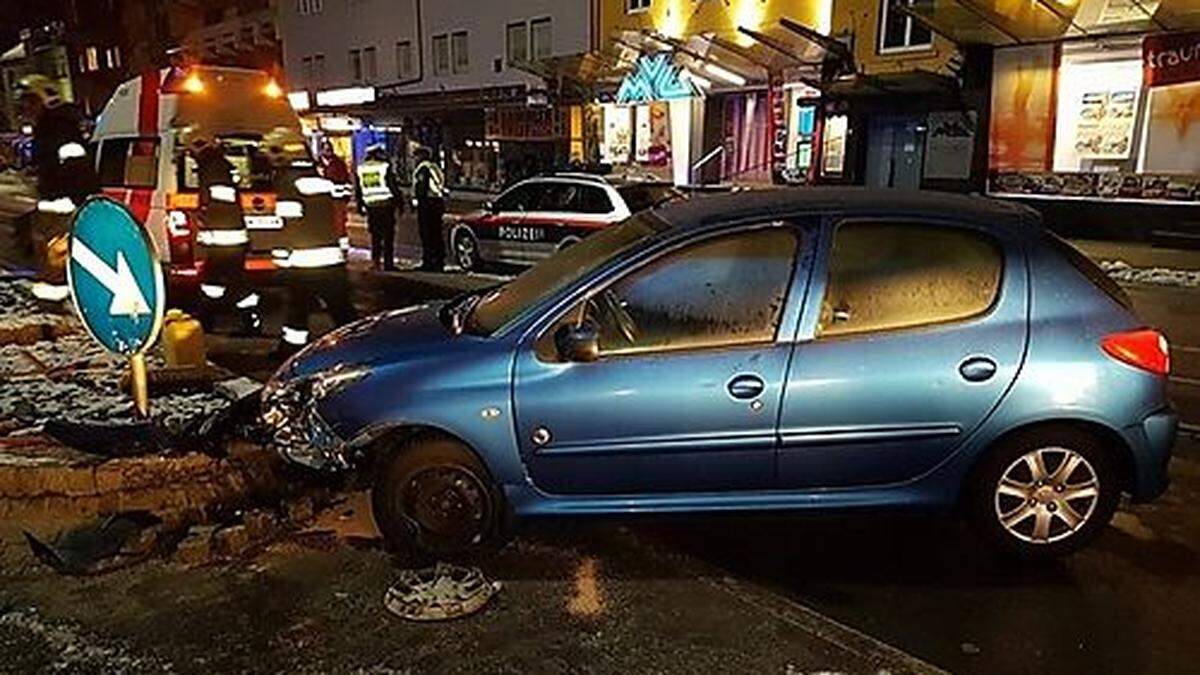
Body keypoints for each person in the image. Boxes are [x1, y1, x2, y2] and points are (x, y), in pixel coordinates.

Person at [19, 76, 94, 301]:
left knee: (61, 258)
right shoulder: (48, 130)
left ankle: (65, 304)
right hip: (56, 208)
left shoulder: (59, 129)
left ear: (45, 100)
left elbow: (75, 169)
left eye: (30, 102)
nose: (25, 109)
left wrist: (64, 199)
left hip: (65, 209)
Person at [275, 166, 356, 353]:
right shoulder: (325, 185)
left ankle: (290, 349)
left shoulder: (289, 189)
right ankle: (356, 344)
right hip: (331, 258)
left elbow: (289, 227)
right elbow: (341, 203)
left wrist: (283, 257)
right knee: (341, 307)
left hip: (304, 262)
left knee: (298, 309)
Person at [193, 138, 261, 334]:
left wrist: (206, 228)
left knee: (222, 282)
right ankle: (211, 320)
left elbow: (218, 206)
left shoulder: (213, 170)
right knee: (225, 281)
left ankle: (211, 321)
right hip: (230, 239)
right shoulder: (220, 167)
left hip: (224, 240)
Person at [355, 145, 399, 271]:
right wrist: (399, 203)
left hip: (371, 206)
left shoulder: (361, 169)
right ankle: (388, 264)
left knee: (375, 236)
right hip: (385, 206)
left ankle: (376, 263)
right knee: (388, 236)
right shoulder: (384, 167)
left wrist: (360, 205)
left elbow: (359, 190)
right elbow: (392, 186)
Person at [412, 146, 447, 271]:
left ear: (421, 156)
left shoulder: (423, 168)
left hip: (427, 204)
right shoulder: (434, 167)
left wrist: (416, 202)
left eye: (416, 156)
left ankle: (428, 262)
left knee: (427, 234)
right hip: (437, 203)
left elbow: (421, 187)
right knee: (436, 234)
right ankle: (439, 262)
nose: (414, 159)